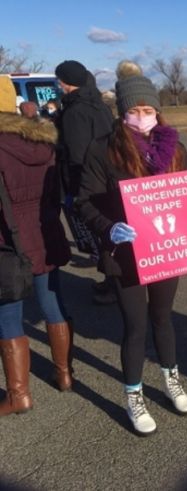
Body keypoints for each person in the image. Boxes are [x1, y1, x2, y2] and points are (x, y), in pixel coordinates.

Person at [76, 61, 187, 436]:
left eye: (148, 110)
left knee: (163, 318)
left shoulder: (175, 147)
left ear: (157, 111)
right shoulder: (103, 150)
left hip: (166, 250)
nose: (142, 116)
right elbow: (84, 202)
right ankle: (134, 395)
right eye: (134, 110)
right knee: (135, 326)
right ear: (122, 112)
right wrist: (110, 228)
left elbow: (186, 190)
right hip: (124, 254)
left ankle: (171, 380)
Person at [0, 75, 73, 415]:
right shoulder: (43, 141)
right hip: (45, 232)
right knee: (52, 305)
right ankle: (64, 374)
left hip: (9, 241)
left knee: (9, 316)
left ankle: (19, 395)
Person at [55, 59, 115, 305]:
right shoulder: (100, 106)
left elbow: (76, 154)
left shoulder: (74, 112)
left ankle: (113, 284)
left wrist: (73, 189)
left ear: (66, 82)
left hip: (86, 180)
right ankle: (113, 279)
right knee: (109, 228)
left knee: (98, 232)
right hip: (107, 175)